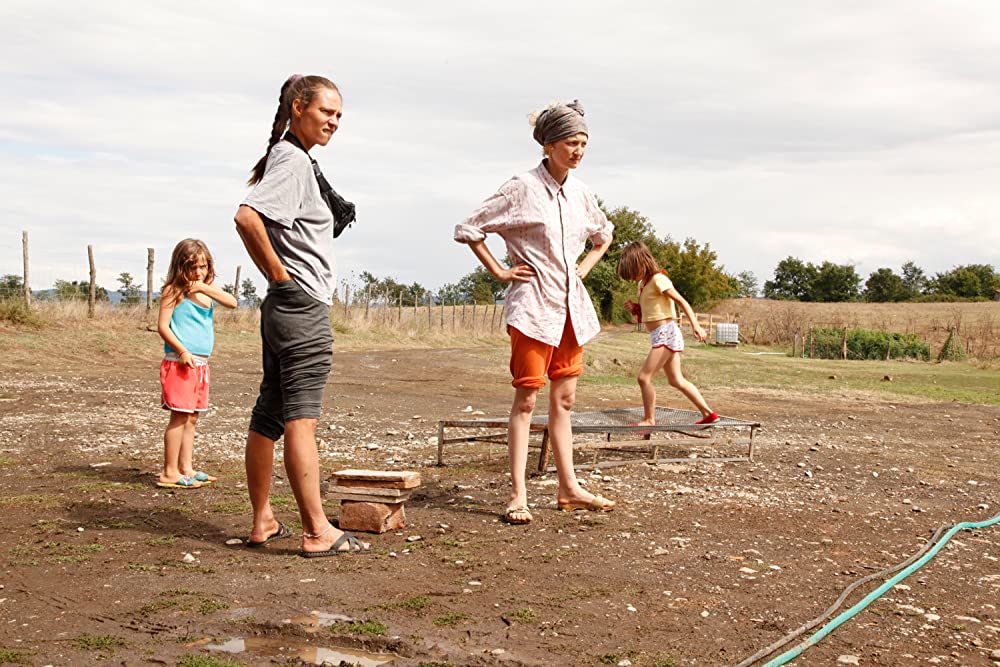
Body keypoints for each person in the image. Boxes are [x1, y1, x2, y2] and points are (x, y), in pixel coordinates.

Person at [454, 100, 617, 525]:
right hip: (532, 309)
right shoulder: (521, 187)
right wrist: (500, 271)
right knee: (527, 400)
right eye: (570, 142)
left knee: (565, 400)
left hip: (570, 311)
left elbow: (604, 235)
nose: (578, 150)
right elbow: (469, 228)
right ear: (548, 144)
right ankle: (518, 494)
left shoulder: (581, 194)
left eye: (583, 143)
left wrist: (581, 269)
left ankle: (569, 489)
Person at [235, 74, 369, 556]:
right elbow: (247, 217)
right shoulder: (292, 161)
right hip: (300, 303)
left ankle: (263, 521)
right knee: (301, 419)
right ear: (297, 108)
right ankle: (317, 529)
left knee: (269, 411)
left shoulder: (291, 159)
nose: (334, 121)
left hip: (284, 307)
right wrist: (281, 276)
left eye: (338, 115)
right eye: (325, 112)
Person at [156, 239, 237, 489]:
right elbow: (163, 326)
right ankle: (169, 471)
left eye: (203, 266)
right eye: (193, 268)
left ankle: (186, 467)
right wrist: (181, 350)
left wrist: (203, 286)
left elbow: (232, 302)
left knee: (192, 418)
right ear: (181, 267)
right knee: (179, 418)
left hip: (201, 365)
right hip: (181, 363)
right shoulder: (173, 291)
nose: (198, 272)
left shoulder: (206, 291)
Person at [617, 241, 720, 427]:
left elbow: (682, 301)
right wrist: (635, 308)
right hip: (659, 334)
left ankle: (649, 419)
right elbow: (651, 310)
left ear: (643, 262)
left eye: (633, 272)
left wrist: (695, 325)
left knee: (643, 378)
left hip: (666, 333)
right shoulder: (642, 285)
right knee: (676, 380)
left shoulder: (658, 279)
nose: (632, 278)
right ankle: (708, 413)